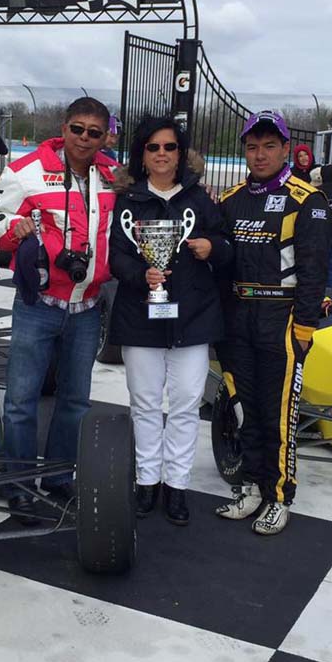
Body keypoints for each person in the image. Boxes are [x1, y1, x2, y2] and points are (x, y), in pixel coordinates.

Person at [0, 97, 117, 523]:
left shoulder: (114, 175)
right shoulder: (27, 170)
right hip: (38, 303)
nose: (84, 139)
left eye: (94, 132)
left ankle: (59, 478)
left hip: (88, 306)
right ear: (64, 126)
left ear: (105, 136)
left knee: (75, 400)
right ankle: (18, 484)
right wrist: (13, 229)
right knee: (22, 400)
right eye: (77, 129)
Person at [108, 117, 232, 524]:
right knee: (144, 404)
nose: (162, 154)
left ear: (181, 154)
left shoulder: (201, 200)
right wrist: (139, 274)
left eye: (170, 147)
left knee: (184, 406)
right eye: (153, 147)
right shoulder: (129, 201)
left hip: (192, 318)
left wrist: (210, 246)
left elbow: (227, 249)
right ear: (142, 154)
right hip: (141, 315)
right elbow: (117, 256)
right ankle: (147, 482)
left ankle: (176, 485)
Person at [215, 110, 330, 535]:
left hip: (281, 319)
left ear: (285, 149)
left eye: (268, 146)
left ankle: (279, 495)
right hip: (236, 317)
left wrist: (304, 327)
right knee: (243, 408)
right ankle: (249, 485)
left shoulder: (307, 200)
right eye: (251, 146)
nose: (259, 154)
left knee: (278, 412)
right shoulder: (230, 200)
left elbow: (314, 270)